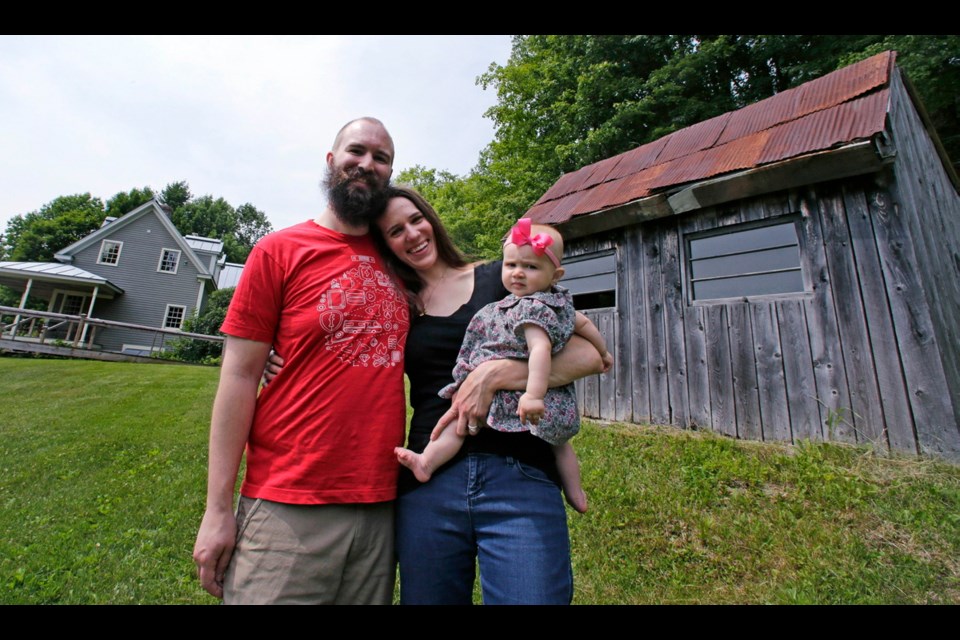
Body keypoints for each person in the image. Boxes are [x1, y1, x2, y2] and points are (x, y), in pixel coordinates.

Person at [269, 185, 605, 603]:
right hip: (429, 481)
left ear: (431, 219)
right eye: (395, 231)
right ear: (385, 245)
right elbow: (328, 336)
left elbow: (590, 354)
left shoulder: (500, 277)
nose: (411, 234)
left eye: (416, 220)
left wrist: (496, 374)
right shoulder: (395, 304)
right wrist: (270, 351)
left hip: (517, 469)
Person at [192, 117, 410, 605]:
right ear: (331, 161)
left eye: (382, 157)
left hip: (379, 504)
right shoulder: (278, 251)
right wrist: (217, 508)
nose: (367, 164)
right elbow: (240, 375)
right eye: (357, 151)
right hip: (286, 503)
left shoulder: (401, 260)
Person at [394, 218, 612, 514]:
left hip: (520, 439)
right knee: (460, 423)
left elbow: (572, 341)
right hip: (439, 473)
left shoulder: (530, 301)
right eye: (512, 266)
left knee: (556, 441)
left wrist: (501, 378)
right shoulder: (396, 299)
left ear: (554, 275)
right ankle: (426, 461)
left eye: (531, 267)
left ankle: (575, 492)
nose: (518, 273)